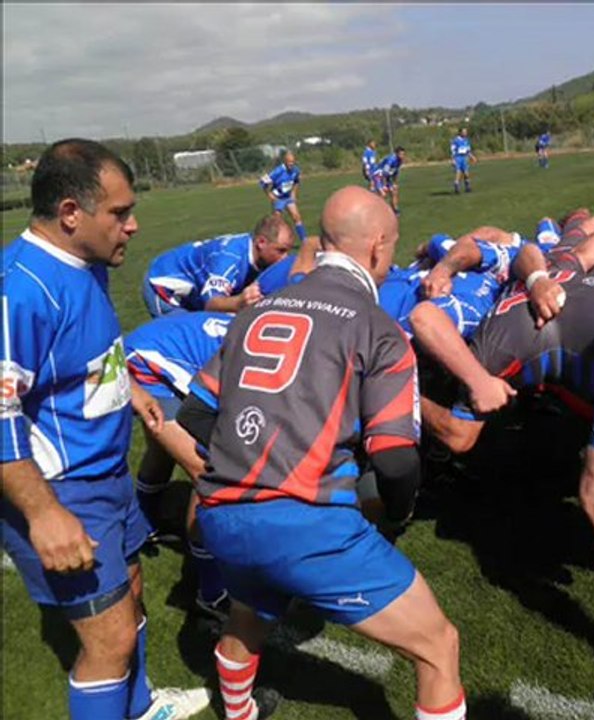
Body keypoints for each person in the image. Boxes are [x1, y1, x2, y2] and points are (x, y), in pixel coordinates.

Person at [177, 186, 466, 720]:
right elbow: (396, 458)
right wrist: (398, 515)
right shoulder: (379, 328)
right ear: (378, 246)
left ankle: (239, 713)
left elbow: (193, 413)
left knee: (250, 614)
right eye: (394, 245)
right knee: (438, 646)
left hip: (222, 517)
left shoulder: (253, 312)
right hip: (306, 525)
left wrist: (259, 444)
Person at [1, 138, 210, 719]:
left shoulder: (84, 264)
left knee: (132, 595)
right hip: (60, 489)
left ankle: (140, 707)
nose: (133, 225)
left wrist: (132, 389)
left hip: (107, 477)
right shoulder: (19, 291)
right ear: (71, 213)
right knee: (108, 640)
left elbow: (87, 351)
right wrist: (44, 514)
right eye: (119, 212)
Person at [125, 311, 234, 620]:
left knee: (165, 449)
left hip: (157, 351)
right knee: (211, 472)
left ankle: (147, 524)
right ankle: (211, 594)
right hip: (146, 365)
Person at [142, 213, 294, 317]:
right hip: (164, 284)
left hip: (195, 288)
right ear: (261, 242)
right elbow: (212, 303)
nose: (284, 258)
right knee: (191, 335)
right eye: (280, 250)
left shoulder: (253, 251)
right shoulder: (229, 260)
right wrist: (240, 301)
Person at [259, 151, 306, 241]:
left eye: (292, 162)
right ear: (284, 161)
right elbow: (262, 182)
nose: (291, 164)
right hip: (278, 198)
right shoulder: (277, 171)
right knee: (277, 221)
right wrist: (269, 194)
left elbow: (296, 181)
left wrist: (293, 193)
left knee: (296, 217)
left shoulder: (296, 170)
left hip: (288, 197)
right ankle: (272, 240)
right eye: (289, 162)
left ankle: (304, 240)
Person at [372, 146, 406, 216]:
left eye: (403, 154)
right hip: (379, 175)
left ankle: (395, 210)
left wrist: (394, 183)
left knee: (394, 191)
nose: (402, 156)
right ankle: (376, 210)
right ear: (396, 154)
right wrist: (384, 185)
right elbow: (384, 172)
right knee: (383, 194)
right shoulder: (391, 160)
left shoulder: (400, 161)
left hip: (387, 177)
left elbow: (395, 172)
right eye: (401, 154)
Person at [450, 128, 476, 194]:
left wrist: (472, 157)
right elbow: (453, 151)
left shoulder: (466, 140)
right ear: (460, 133)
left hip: (464, 158)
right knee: (458, 173)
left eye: (466, 132)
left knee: (466, 173)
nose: (465, 133)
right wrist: (453, 159)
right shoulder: (455, 140)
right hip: (458, 158)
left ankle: (467, 187)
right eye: (464, 132)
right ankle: (456, 187)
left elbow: (468, 151)